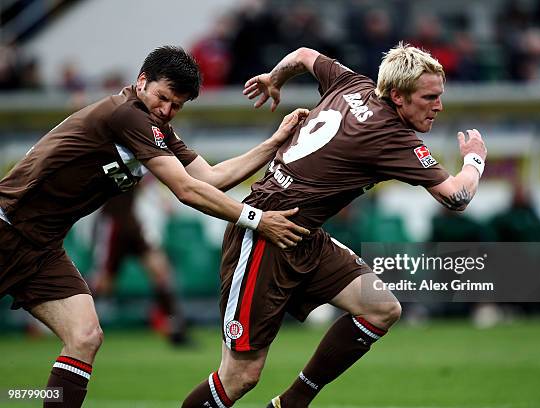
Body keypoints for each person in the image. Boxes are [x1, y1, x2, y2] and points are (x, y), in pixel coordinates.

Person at [0, 45, 309, 408]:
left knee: (85, 336)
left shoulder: (155, 127)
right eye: (163, 97)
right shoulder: (128, 115)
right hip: (7, 229)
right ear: (142, 81)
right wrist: (257, 219)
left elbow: (210, 178)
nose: (166, 110)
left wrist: (274, 142)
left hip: (43, 247)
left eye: (176, 105)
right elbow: (187, 190)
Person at [182, 43, 487, 408]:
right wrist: (474, 160)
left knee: (381, 307)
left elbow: (303, 55)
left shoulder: (351, 84)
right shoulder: (391, 136)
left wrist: (273, 79)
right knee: (240, 377)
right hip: (266, 232)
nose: (438, 106)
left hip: (302, 235)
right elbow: (457, 197)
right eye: (429, 97)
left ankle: (294, 401)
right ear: (397, 96)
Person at [90, 186, 191, 346]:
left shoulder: (145, 164)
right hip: (112, 225)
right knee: (103, 284)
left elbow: (152, 179)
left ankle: (175, 328)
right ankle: (71, 319)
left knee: (161, 272)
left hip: (133, 224)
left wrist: (162, 199)